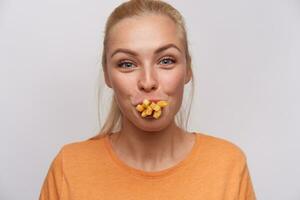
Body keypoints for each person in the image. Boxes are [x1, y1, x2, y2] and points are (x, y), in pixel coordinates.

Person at [39, 0, 256, 199]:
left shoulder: (228, 165)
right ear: (107, 75)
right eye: (126, 64)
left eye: (166, 60)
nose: (148, 82)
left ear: (187, 69)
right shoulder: (69, 167)